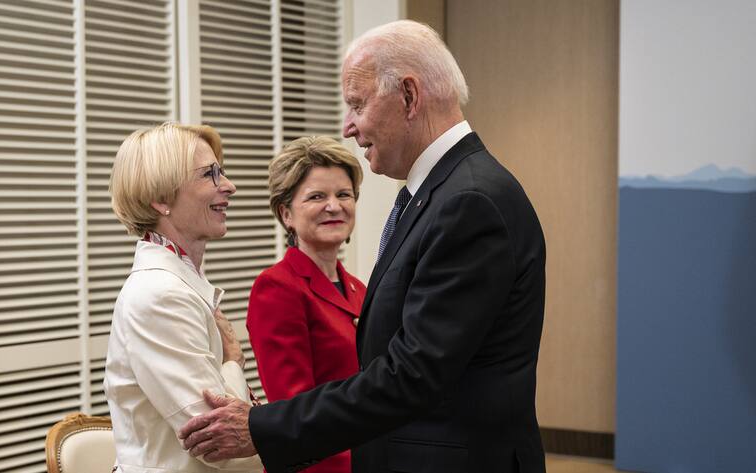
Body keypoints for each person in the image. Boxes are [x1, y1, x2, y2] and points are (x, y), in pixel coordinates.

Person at [178, 20, 547, 473]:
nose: (348, 127)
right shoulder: (448, 192)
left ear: (409, 96)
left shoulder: (466, 202)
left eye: (356, 105)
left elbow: (412, 374)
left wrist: (260, 428)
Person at [104, 122, 262, 472]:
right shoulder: (159, 294)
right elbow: (219, 442)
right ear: (161, 199)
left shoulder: (179, 282)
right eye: (210, 175)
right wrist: (233, 362)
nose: (230, 186)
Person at [246, 136, 367, 473]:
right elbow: (294, 414)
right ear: (287, 214)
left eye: (343, 194)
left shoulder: (360, 289)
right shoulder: (277, 288)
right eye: (317, 197)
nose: (334, 206)